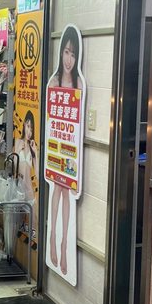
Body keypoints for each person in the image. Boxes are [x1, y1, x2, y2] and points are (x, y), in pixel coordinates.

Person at [48, 26, 83, 276]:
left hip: (70, 146)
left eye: (73, 54)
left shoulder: (78, 83)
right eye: (66, 52)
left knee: (66, 190)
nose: (68, 59)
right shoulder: (54, 81)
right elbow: (51, 119)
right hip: (57, 144)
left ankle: (62, 242)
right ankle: (53, 236)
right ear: (61, 53)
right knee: (58, 187)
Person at [15, 110, 38, 202]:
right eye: (28, 126)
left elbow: (38, 175)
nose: (29, 132)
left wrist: (36, 154)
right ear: (24, 124)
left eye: (31, 129)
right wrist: (18, 151)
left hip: (29, 190)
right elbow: (13, 166)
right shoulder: (17, 142)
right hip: (18, 188)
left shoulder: (32, 147)